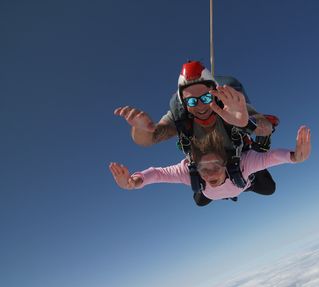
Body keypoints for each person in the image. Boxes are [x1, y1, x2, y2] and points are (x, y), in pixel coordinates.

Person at [114, 60, 279, 206]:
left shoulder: (229, 106)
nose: (200, 106)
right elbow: (150, 138)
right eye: (192, 101)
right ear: (184, 104)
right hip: (205, 170)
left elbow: (266, 127)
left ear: (214, 93)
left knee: (268, 188)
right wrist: (141, 129)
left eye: (206, 98)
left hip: (240, 161)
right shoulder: (180, 117)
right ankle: (228, 190)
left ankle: (246, 182)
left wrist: (246, 123)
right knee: (200, 200)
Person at [109, 126, 311, 202]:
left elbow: (272, 157)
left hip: (244, 182)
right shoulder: (190, 173)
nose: (210, 173)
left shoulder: (241, 164)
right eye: (203, 168)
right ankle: (235, 188)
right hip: (220, 191)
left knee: (269, 188)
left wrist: (295, 157)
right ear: (194, 166)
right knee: (200, 201)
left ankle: (255, 149)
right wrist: (134, 182)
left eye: (215, 165)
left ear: (226, 162)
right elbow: (158, 174)